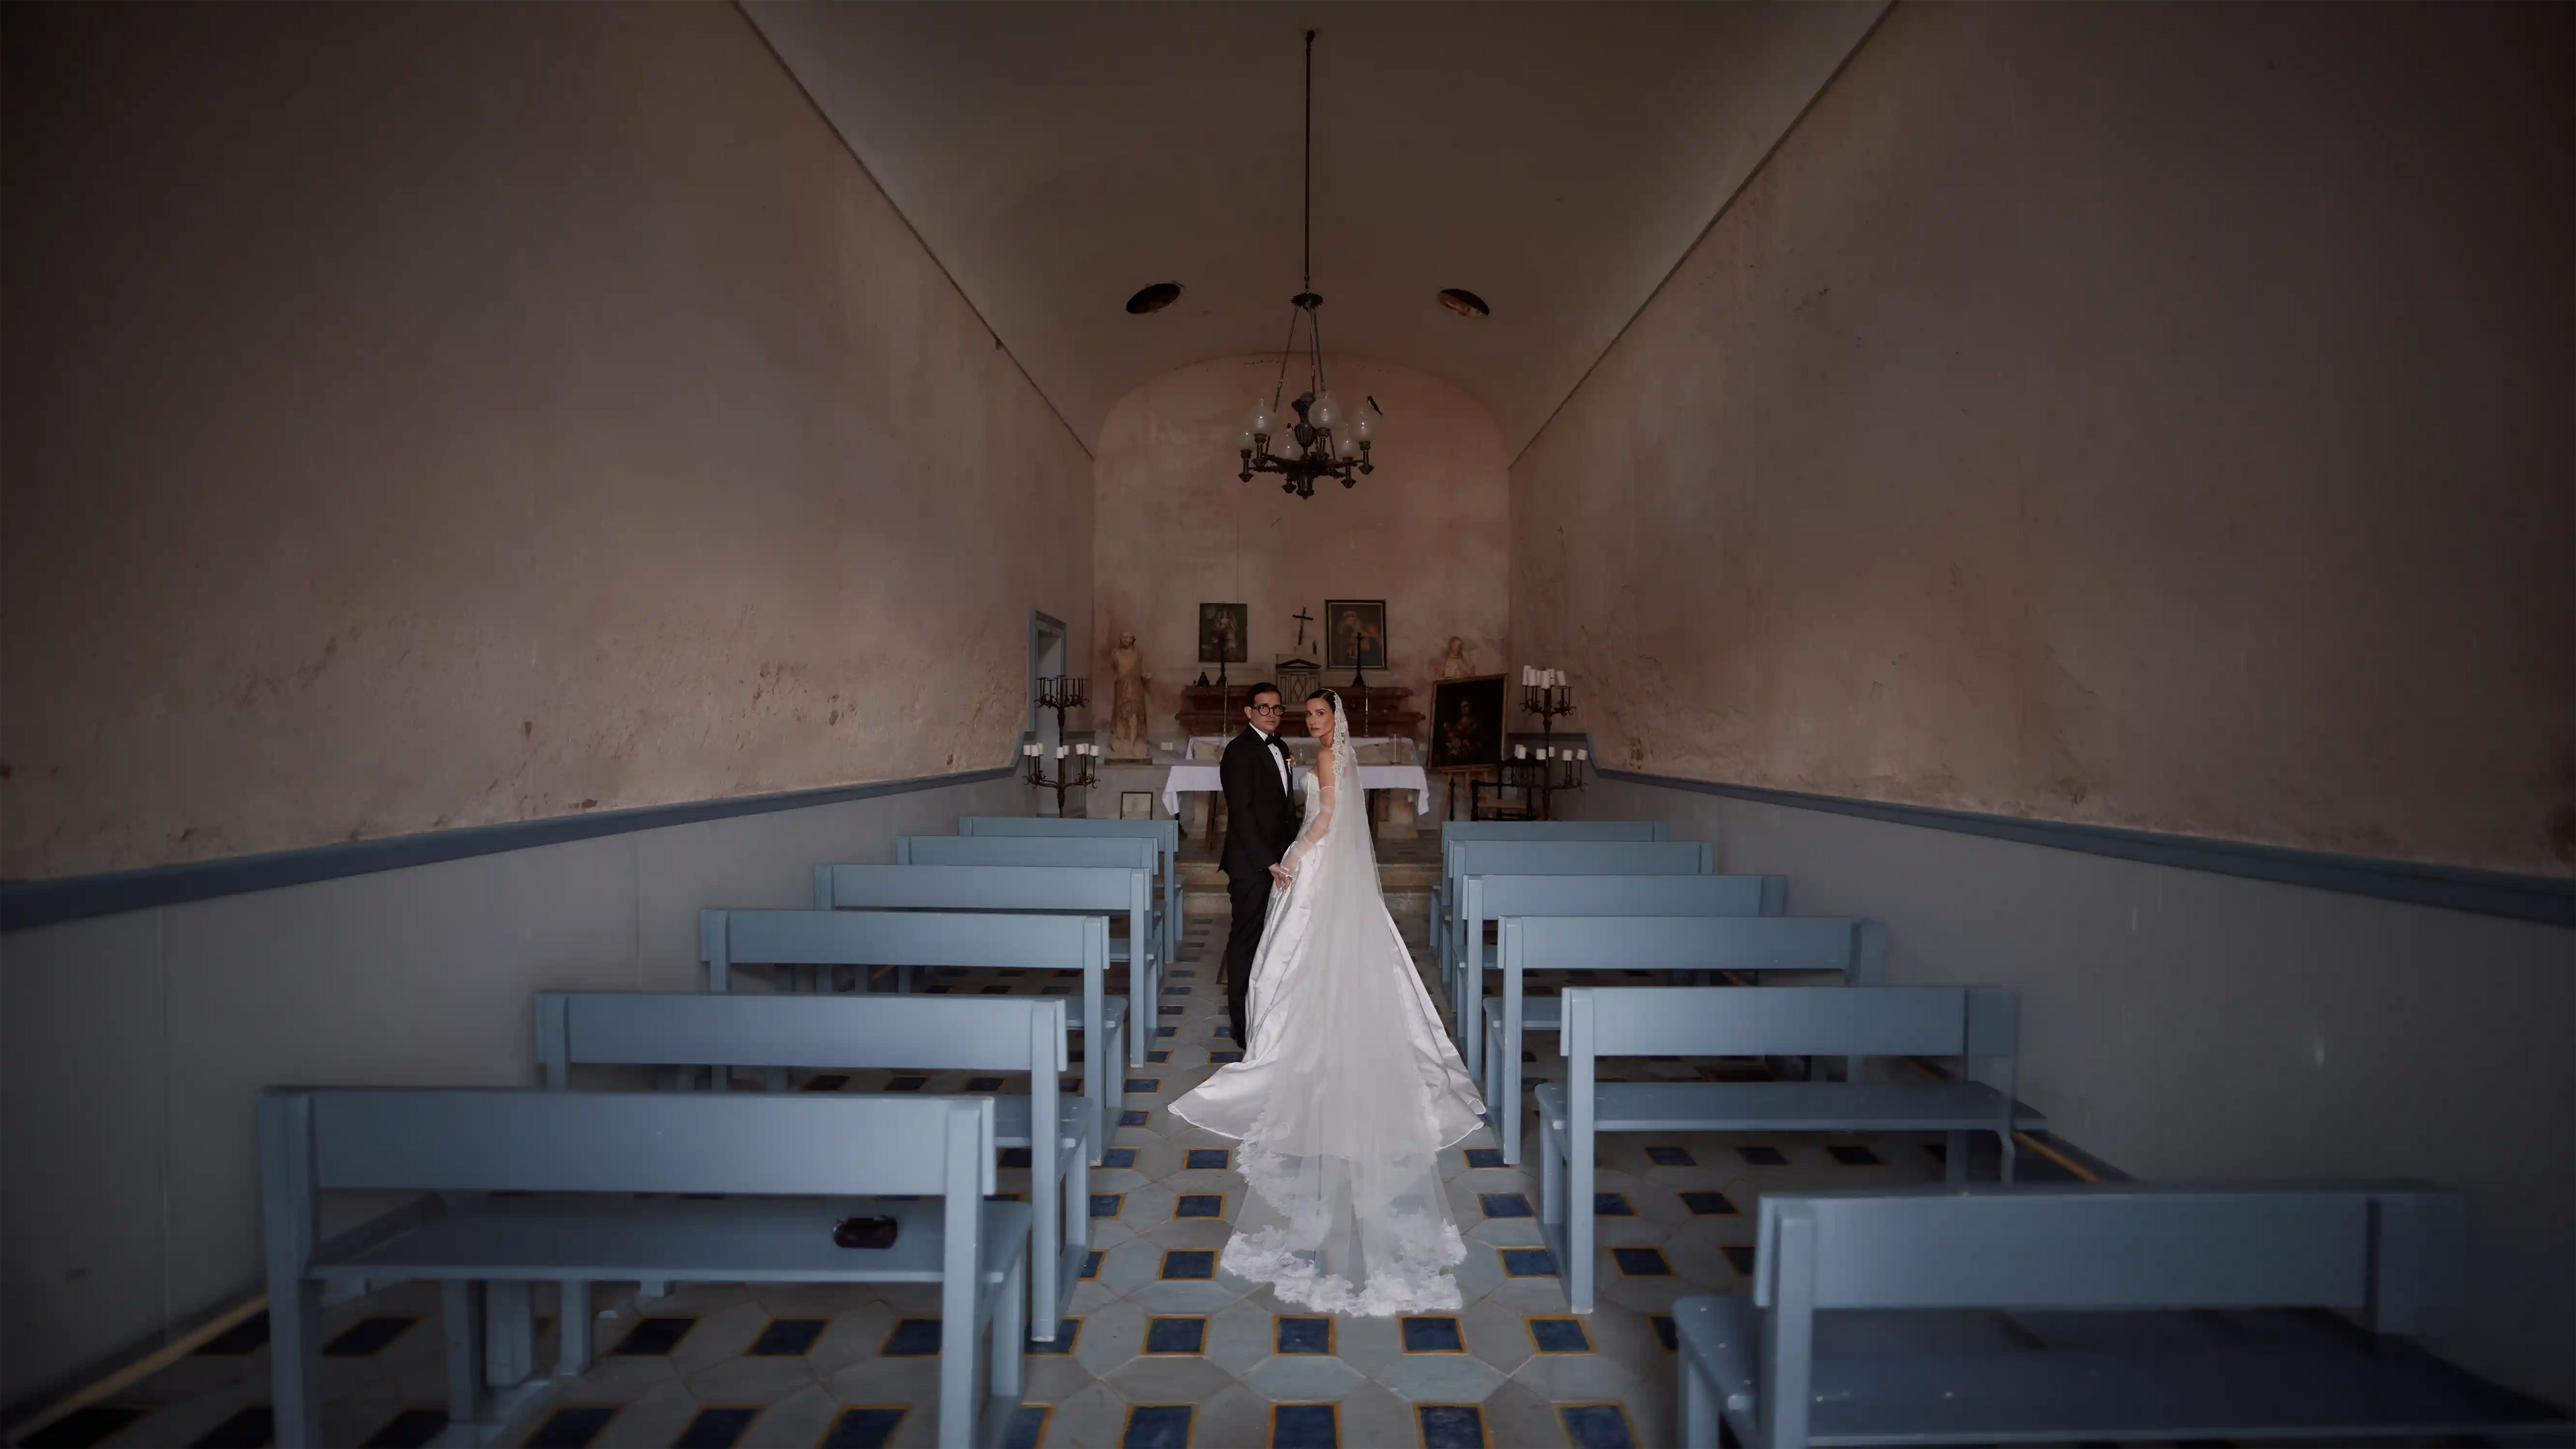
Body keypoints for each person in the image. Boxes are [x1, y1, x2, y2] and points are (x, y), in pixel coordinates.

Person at [1174, 688, 1486, 1315]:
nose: (1311, 721)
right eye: (1307, 714)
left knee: (1288, 957)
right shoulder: (1327, 755)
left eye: (1319, 714)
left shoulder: (1321, 759)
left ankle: (1286, 1044)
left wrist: (1292, 855)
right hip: (1312, 867)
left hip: (1309, 864)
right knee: (1283, 956)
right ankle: (1297, 1034)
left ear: (1332, 720)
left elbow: (1321, 820)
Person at [1215, 684, 1299, 1048]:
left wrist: (1294, 850)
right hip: (1252, 864)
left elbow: (1284, 810)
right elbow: (1242, 815)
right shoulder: (1237, 752)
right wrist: (1267, 862)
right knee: (1246, 940)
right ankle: (1241, 1026)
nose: (1271, 714)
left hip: (1282, 861)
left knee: (1276, 939)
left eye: (1277, 709)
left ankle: (1268, 1014)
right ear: (1248, 712)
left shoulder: (1281, 747)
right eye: (1264, 708)